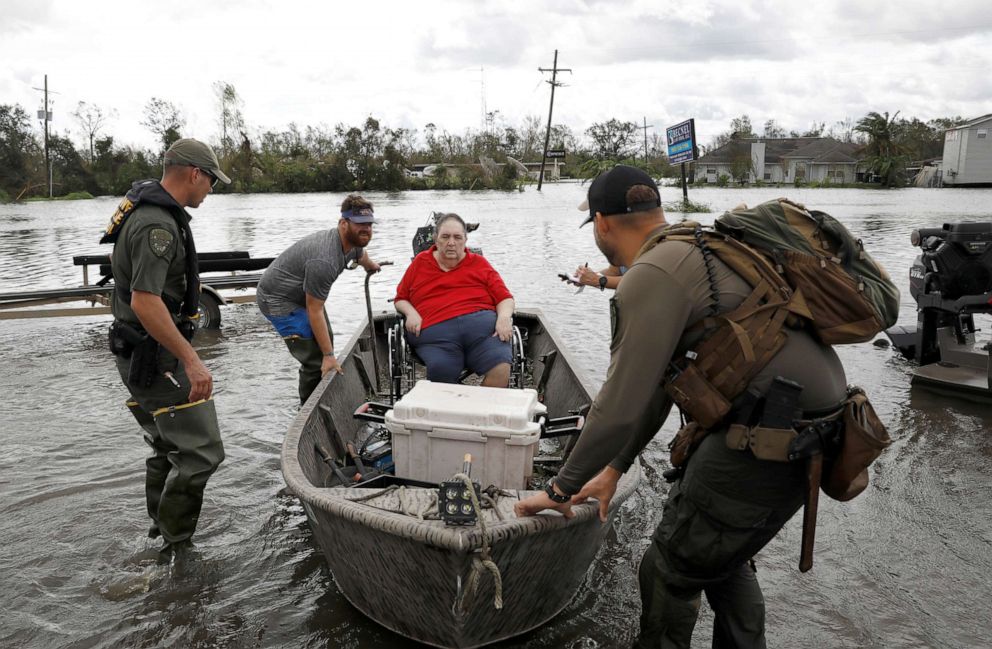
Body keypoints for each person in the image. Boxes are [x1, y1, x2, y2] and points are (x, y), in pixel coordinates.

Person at [514, 165, 848, 648]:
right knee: (720, 561)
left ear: (602, 223)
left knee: (668, 568)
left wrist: (560, 490)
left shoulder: (649, 274)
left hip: (767, 437)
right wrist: (615, 467)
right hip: (812, 428)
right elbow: (656, 390)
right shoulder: (700, 245)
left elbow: (618, 406)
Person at [102, 137, 231, 558]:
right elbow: (145, 300)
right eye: (211, 179)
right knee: (202, 452)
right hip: (154, 357)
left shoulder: (148, 212)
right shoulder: (156, 224)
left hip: (142, 353)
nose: (211, 188)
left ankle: (160, 531)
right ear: (194, 173)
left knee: (167, 444)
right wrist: (193, 361)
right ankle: (177, 550)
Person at [256, 194, 381, 404]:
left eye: (369, 224)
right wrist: (329, 356)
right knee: (315, 360)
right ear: (343, 224)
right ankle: (307, 409)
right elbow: (315, 309)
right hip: (277, 300)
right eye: (360, 224)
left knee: (326, 340)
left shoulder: (353, 242)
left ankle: (323, 390)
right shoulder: (324, 260)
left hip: (301, 295)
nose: (366, 229)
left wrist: (371, 265)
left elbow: (360, 255)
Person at [394, 213, 515, 387]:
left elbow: (505, 298)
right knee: (441, 371)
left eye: (457, 237)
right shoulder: (420, 263)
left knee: (501, 367)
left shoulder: (479, 263)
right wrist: (410, 313)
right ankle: (456, 408)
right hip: (437, 337)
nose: (451, 242)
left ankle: (479, 411)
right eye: (445, 237)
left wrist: (504, 318)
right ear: (436, 239)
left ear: (465, 240)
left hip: (483, 335)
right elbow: (400, 298)